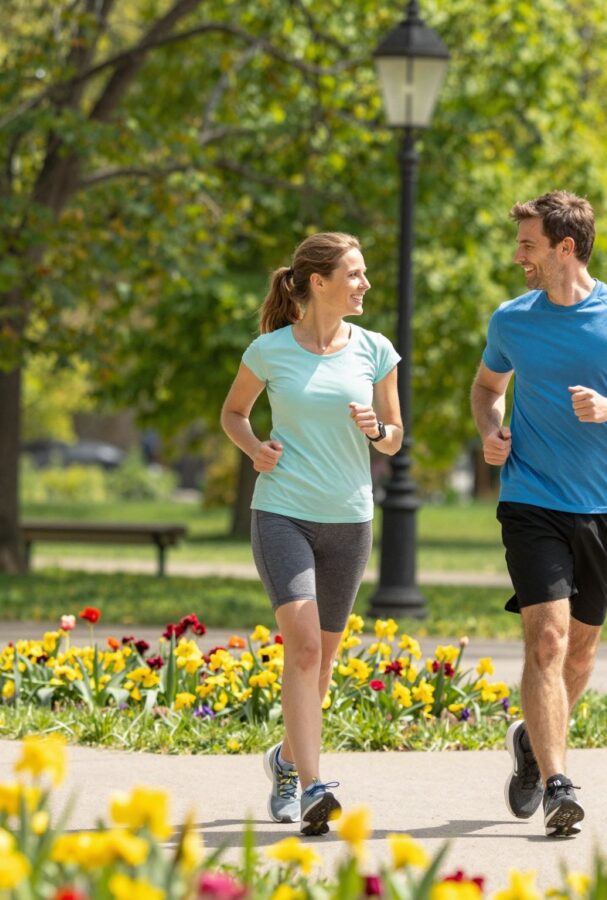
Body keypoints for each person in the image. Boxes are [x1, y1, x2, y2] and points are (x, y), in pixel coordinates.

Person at [470, 191, 607, 837]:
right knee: (547, 639)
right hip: (530, 500)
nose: (518, 257)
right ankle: (559, 782)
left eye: (529, 245)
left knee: (582, 654)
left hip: (605, 509)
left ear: (566, 248)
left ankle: (533, 745)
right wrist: (492, 428)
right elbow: (487, 388)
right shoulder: (512, 320)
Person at [221, 232, 403, 836]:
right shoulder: (269, 351)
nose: (365, 284)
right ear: (318, 282)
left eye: (366, 273)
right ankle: (312, 786)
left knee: (320, 664)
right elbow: (234, 413)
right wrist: (254, 448)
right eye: (354, 274)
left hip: (349, 520)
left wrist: (379, 428)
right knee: (300, 646)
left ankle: (285, 761)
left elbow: (396, 436)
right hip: (283, 513)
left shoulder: (376, 350)